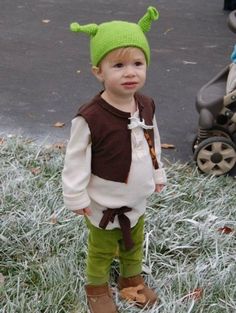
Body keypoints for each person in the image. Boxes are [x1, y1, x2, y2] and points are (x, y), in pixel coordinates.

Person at [62, 6, 167, 313]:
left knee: (133, 243)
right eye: (118, 65)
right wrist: (75, 194)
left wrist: (157, 173)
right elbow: (76, 160)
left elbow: (153, 141)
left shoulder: (146, 105)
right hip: (104, 204)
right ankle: (96, 288)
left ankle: (130, 281)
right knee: (102, 249)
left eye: (138, 63)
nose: (130, 72)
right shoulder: (91, 117)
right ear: (99, 71)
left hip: (135, 199)